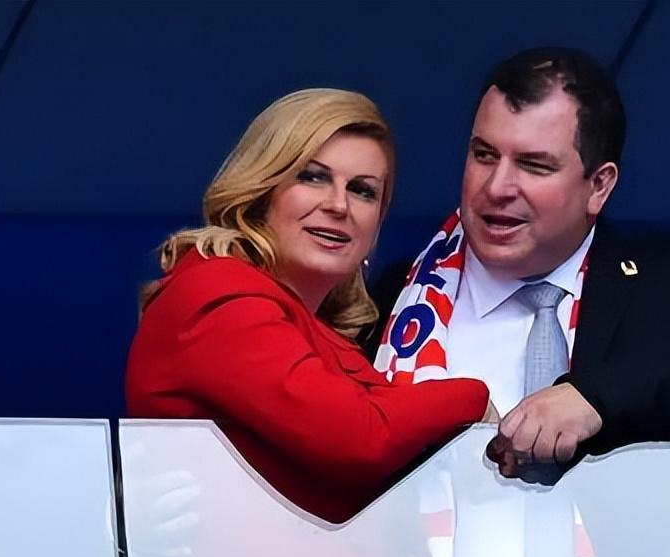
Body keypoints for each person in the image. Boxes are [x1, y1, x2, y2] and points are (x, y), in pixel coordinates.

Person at [371, 48, 670, 479]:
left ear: (599, 186)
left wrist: (598, 399)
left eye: (534, 165)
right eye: (484, 155)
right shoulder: (394, 298)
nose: (496, 187)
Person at [126, 88, 494, 523]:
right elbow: (359, 438)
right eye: (313, 177)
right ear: (263, 189)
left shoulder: (315, 326)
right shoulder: (216, 292)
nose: (338, 205)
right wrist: (475, 399)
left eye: (362, 191)